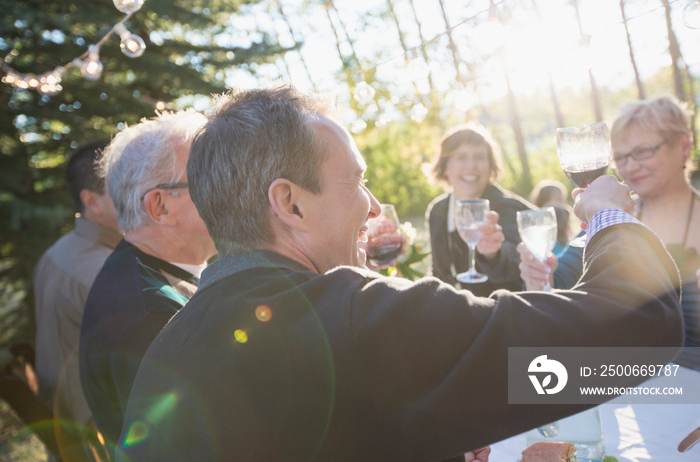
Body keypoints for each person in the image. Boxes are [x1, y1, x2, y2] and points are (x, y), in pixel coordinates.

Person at [116, 86, 682, 462]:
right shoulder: (358, 317)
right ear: (289, 204)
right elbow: (631, 340)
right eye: (357, 182)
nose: (371, 207)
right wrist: (608, 217)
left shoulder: (170, 347)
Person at [519, 95, 700, 369]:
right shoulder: (615, 221)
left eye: (642, 152)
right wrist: (538, 278)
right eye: (621, 157)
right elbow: (560, 281)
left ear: (684, 146)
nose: (629, 167)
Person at [79, 111, 217, 454]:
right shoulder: (150, 317)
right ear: (159, 206)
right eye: (208, 178)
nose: (228, 188)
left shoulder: (147, 272)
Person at [33, 140, 122, 459]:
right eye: (125, 184)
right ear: (92, 202)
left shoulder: (56, 253)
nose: (143, 195)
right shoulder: (106, 274)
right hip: (100, 445)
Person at [425, 125, 535, 296]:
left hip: (500, 313)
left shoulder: (509, 207)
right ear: (445, 167)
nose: (471, 166)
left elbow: (514, 263)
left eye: (479, 157)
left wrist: (493, 254)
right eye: (461, 157)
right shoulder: (438, 210)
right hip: (452, 313)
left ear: (491, 166)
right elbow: (439, 272)